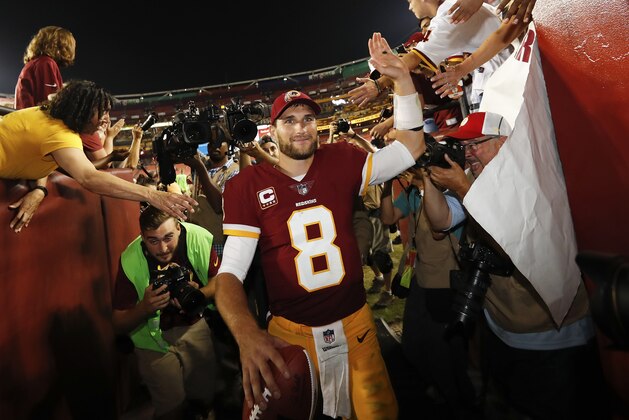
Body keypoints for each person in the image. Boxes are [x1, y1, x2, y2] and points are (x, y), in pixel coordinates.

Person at [214, 32, 426, 419]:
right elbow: (230, 273)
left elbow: (411, 148)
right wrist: (245, 334)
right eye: (290, 121)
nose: (301, 128)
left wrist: (404, 81)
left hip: (357, 326)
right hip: (290, 335)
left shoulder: (343, 159)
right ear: (273, 131)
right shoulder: (247, 185)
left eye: (308, 118)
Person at [422, 111, 605, 419]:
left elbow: (516, 247)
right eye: (464, 147)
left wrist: (466, 189)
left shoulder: (537, 181)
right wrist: (428, 176)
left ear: (504, 142)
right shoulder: (479, 184)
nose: (468, 153)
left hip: (553, 341)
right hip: (503, 333)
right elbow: (441, 220)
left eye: (476, 144)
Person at [0, 80, 196, 233]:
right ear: (82, 110)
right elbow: (89, 178)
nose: (106, 120)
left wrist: (40, 189)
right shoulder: (62, 135)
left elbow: (41, 154)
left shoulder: (48, 118)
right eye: (102, 112)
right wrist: (152, 195)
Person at [111, 206, 220, 419]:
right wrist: (144, 307)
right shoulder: (130, 259)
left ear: (179, 228)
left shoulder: (199, 238)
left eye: (168, 237)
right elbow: (117, 324)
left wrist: (200, 294)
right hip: (151, 340)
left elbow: (221, 282)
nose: (162, 248)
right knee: (171, 408)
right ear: (142, 237)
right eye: (153, 241)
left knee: (204, 397)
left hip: (194, 325)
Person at [349, 0, 510, 112]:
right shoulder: (449, 8)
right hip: (500, 72)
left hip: (503, 79)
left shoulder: (448, 14)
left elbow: (414, 58)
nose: (409, 7)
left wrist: (379, 84)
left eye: (410, 1)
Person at [14, 26, 76, 110]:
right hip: (34, 120)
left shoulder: (37, 62)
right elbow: (47, 102)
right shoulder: (45, 63)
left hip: (26, 118)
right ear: (60, 45)